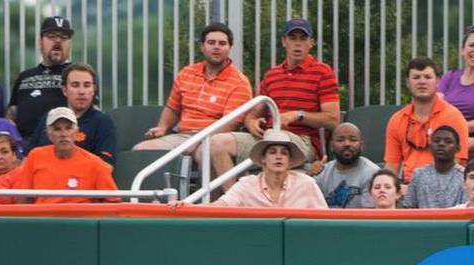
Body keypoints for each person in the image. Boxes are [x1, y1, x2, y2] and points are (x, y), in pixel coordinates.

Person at [217, 19, 339, 180]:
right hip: (268, 137)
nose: (297, 43)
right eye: (292, 38)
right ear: (284, 41)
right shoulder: (271, 75)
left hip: (302, 141)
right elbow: (252, 115)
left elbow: (333, 119)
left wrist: (298, 115)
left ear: (311, 43)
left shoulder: (323, 72)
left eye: (302, 38)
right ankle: (234, 201)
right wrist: (252, 123)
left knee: (274, 139)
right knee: (216, 143)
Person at [133, 23, 253, 180]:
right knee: (141, 149)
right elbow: (173, 108)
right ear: (202, 47)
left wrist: (197, 141)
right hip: (183, 136)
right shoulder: (187, 73)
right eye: (211, 43)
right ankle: (155, 202)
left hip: (213, 138)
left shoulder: (240, 82)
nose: (216, 47)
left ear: (230, 48)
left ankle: (209, 203)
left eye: (222, 43)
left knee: (208, 153)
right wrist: (162, 127)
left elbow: (229, 124)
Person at [384, 58, 469, 182]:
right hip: (407, 186)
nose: (422, 82)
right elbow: (391, 166)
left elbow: (457, 164)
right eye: (416, 77)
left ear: (438, 82)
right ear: (408, 82)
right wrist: (390, 188)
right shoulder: (396, 120)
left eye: (427, 77)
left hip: (443, 185)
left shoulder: (453, 117)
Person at [9, 107, 117, 203]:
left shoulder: (95, 164)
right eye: (57, 129)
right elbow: (23, 199)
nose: (63, 134)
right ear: (48, 134)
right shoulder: (35, 156)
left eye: (68, 128)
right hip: (43, 221)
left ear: (77, 132)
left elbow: (112, 202)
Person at [215, 129, 327, 209]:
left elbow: (324, 219)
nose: (278, 156)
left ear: (289, 160)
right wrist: (197, 210)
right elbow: (221, 205)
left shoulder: (306, 184)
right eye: (272, 152)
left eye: (284, 153)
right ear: (263, 158)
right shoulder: (247, 184)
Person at [8, 16, 74, 150]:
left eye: (64, 37)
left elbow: (91, 114)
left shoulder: (77, 76)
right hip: (23, 146)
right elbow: (11, 113)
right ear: (40, 42)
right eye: (51, 36)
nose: (57, 41)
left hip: (59, 145)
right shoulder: (25, 76)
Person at [33, 63, 116, 166]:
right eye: (75, 85)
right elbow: (28, 160)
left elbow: (106, 167)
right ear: (64, 90)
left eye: (87, 85)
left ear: (93, 89)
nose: (81, 91)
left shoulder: (102, 122)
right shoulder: (48, 118)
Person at [315, 123, 379, 208]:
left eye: (353, 140)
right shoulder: (322, 172)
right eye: (340, 140)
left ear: (361, 146)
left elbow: (370, 214)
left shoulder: (373, 173)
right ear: (331, 146)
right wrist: (308, 176)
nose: (347, 144)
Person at [400, 125, 466, 208]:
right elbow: (409, 207)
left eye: (448, 141)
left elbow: (466, 208)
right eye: (437, 141)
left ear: (458, 148)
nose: (441, 144)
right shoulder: (419, 174)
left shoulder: (464, 176)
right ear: (430, 147)